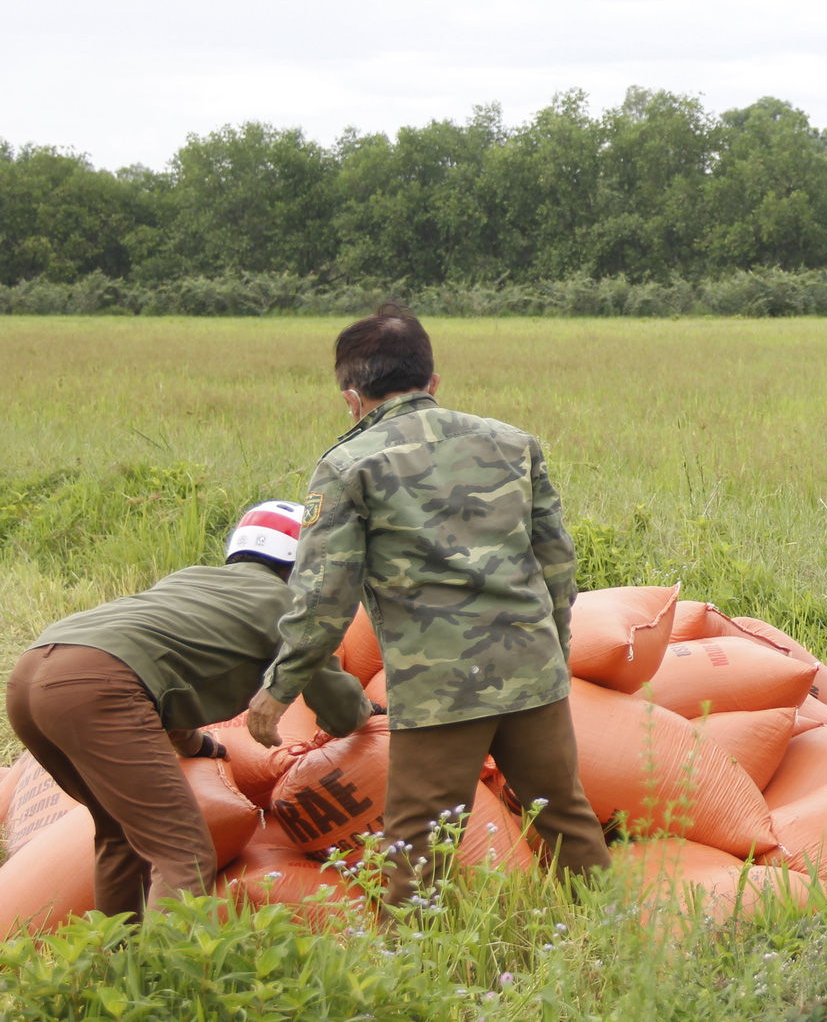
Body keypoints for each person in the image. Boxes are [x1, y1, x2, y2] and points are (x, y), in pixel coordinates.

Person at [244, 303, 610, 907]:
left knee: (418, 844)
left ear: (351, 396)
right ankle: (610, 934)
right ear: (432, 382)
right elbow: (557, 567)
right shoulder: (514, 444)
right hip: (531, 666)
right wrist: (555, 652)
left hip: (439, 684)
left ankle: (409, 978)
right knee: (565, 815)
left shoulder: (346, 466)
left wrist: (281, 686)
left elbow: (323, 595)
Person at [7, 502, 376, 920]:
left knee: (119, 834)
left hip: (29, 678)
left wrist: (196, 743)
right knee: (183, 849)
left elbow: (165, 671)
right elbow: (342, 711)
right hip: (98, 685)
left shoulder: (192, 579)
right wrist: (373, 713)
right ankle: (172, 978)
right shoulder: (290, 606)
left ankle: (116, 964)